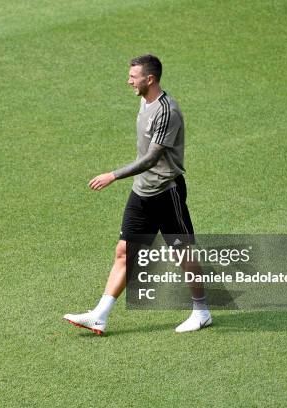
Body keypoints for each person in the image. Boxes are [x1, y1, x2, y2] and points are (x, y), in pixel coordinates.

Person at [63, 54, 212, 335]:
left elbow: (152, 158)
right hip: (142, 191)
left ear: (150, 79)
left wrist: (113, 175)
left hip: (166, 193)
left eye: (134, 76)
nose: (129, 80)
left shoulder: (168, 111)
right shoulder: (144, 101)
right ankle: (100, 316)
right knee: (124, 251)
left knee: (182, 254)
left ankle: (202, 311)